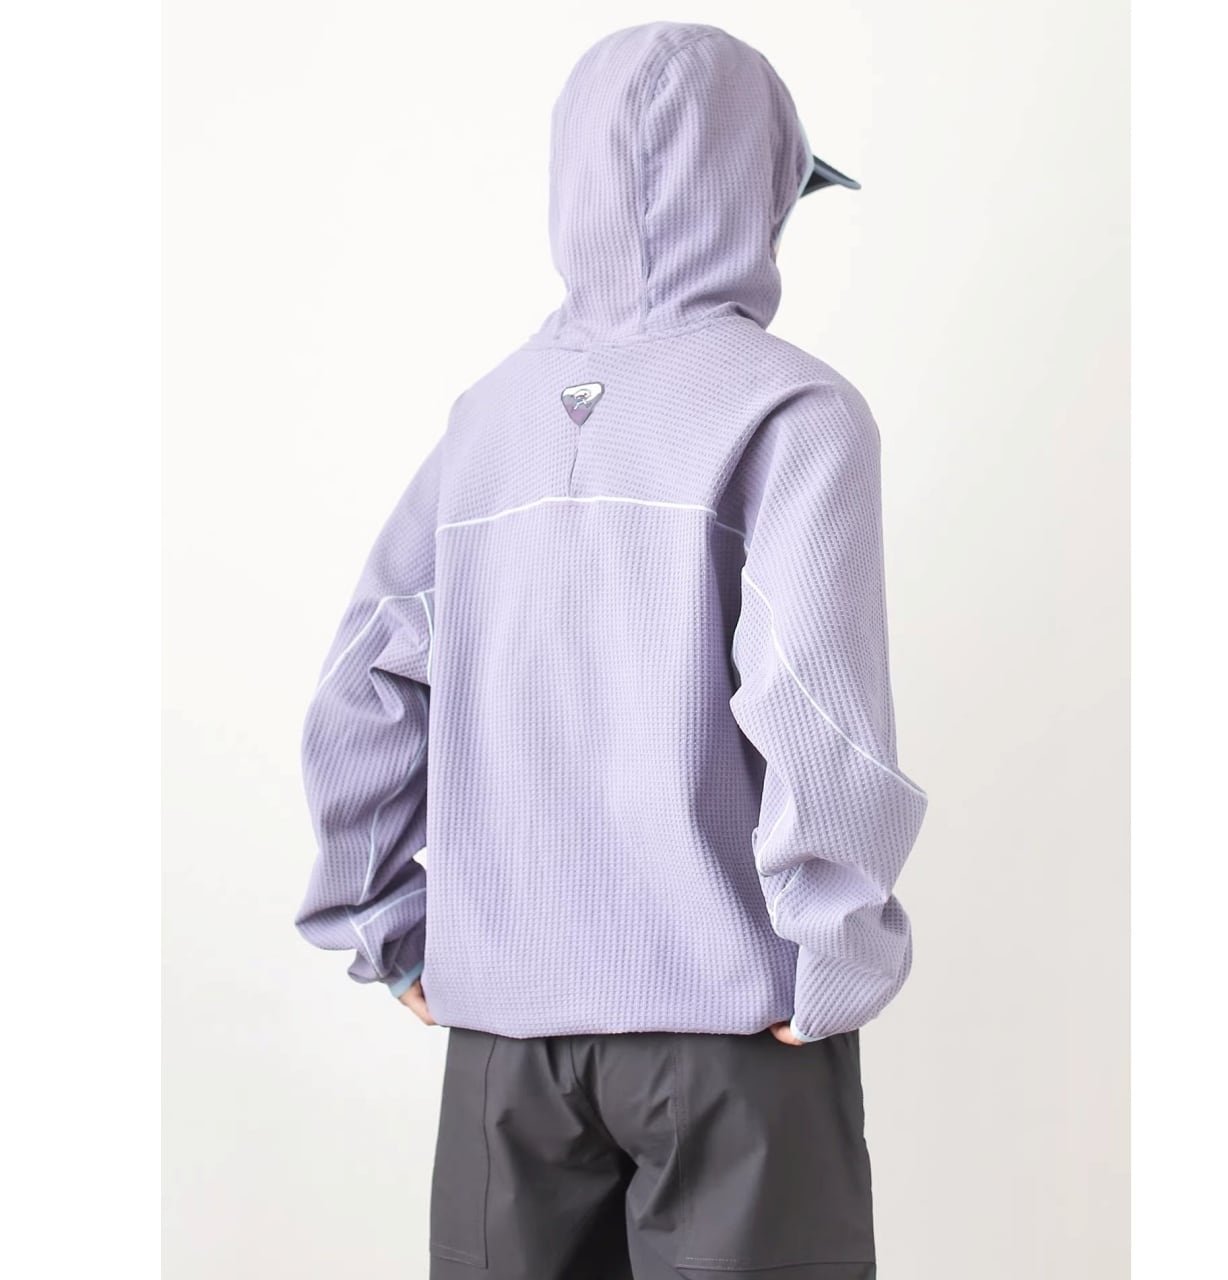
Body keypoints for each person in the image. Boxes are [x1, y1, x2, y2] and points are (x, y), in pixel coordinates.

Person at [295, 20, 928, 1280]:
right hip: (731, 1030)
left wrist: (387, 922)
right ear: (758, 191)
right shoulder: (793, 407)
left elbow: (364, 684)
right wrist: (836, 950)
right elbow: (813, 696)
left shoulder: (484, 421)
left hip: (503, 1048)